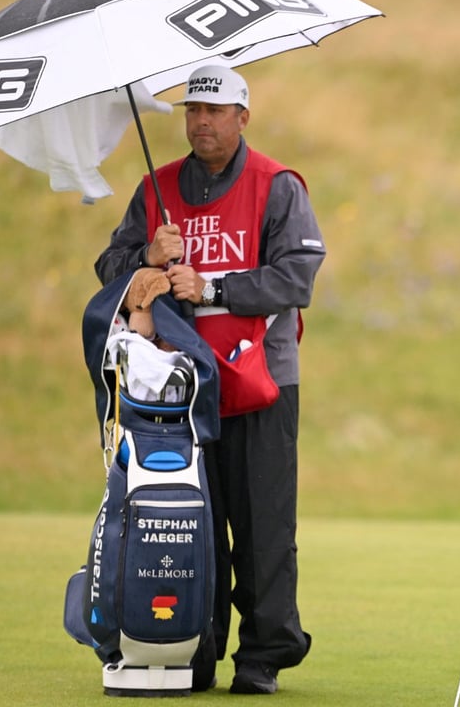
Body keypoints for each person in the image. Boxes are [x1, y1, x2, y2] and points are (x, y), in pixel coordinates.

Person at [95, 64, 323, 695]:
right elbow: (108, 265)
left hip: (261, 383)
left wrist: (214, 285)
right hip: (177, 389)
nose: (201, 122)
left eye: (216, 111)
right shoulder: (156, 188)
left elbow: (296, 278)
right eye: (193, 110)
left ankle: (262, 657)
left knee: (263, 528)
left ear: (242, 117)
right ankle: (193, 648)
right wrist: (146, 258)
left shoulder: (276, 185)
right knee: (191, 524)